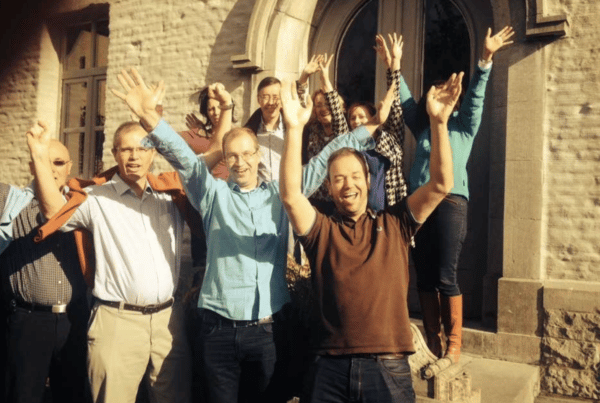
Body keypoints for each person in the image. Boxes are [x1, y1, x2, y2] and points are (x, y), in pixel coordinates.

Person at [110, 67, 395, 402]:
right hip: (218, 331)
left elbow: (323, 161)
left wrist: (369, 129)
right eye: (232, 155)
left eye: (247, 154)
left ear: (259, 155)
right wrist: (150, 119)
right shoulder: (213, 194)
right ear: (225, 159)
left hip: (268, 331)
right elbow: (185, 159)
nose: (240, 162)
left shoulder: (281, 194)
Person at [30, 84, 233, 402]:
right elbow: (52, 210)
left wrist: (227, 110)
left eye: (142, 148)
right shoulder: (97, 198)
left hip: (168, 322)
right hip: (117, 322)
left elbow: (215, 151)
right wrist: (38, 155)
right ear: (114, 154)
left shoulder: (170, 193)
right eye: (126, 150)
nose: (134, 156)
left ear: (154, 152)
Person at [279, 68, 463, 402]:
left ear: (368, 179)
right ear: (328, 187)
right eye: (338, 179)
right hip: (328, 367)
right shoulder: (321, 230)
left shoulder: (396, 223)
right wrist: (294, 129)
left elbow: (440, 184)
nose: (347, 185)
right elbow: (291, 195)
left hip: (388, 366)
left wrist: (438, 123)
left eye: (354, 176)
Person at [400, 26, 514, 361]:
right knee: (423, 274)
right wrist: (394, 67)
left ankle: (453, 346)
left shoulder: (463, 126)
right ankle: (432, 342)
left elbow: (476, 96)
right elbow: (405, 103)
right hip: (420, 203)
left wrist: (485, 60)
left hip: (451, 203)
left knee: (445, 274)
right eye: (433, 94)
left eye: (444, 94)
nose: (438, 98)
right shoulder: (422, 127)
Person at [0, 123, 90, 403]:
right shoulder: (10, 202)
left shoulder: (83, 206)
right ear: (32, 165)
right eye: (43, 160)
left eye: (59, 162)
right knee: (23, 395)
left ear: (69, 167)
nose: (51, 169)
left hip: (74, 319)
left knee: (72, 395)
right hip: (29, 320)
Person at [347, 33, 409, 211]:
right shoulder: (350, 144)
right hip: (362, 214)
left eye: (362, 116)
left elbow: (394, 103)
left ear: (373, 117)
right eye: (353, 118)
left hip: (392, 210)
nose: (357, 121)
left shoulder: (390, 138)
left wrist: (393, 63)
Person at [299, 54, 350, 215]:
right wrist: (304, 76)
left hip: (337, 200)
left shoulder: (343, 131)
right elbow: (298, 107)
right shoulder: (311, 130)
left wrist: (325, 79)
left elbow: (336, 113)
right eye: (318, 105)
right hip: (312, 199)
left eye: (327, 104)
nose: (323, 108)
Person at [244, 76, 285, 181]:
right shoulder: (250, 132)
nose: (271, 102)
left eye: (275, 97)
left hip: (287, 189)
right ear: (258, 99)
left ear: (282, 99)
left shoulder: (291, 129)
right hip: (261, 190)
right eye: (265, 97)